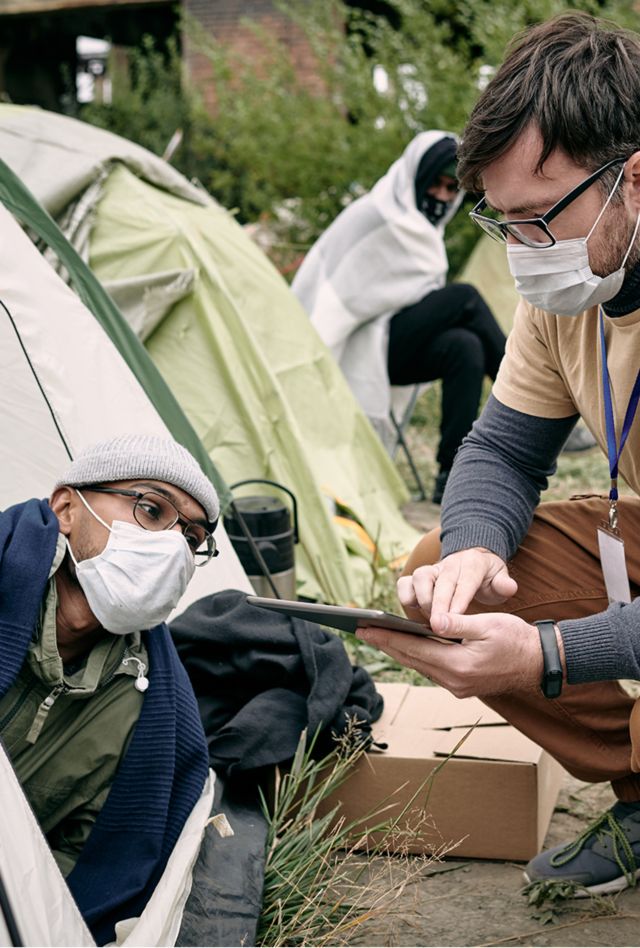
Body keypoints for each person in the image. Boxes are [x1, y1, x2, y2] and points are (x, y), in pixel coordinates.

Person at [355, 13, 640, 897]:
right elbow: (504, 450)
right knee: (443, 569)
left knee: (531, 637)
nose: (521, 250)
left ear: (633, 180)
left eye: (536, 218)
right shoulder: (572, 285)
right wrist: (476, 542)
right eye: (501, 221)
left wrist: (545, 654)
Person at [0, 433, 218, 944]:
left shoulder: (150, 714)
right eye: (151, 509)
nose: (172, 546)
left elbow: (77, 871)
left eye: (191, 538)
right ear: (66, 508)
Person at [292, 131, 506, 503]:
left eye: (451, 189)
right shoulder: (372, 217)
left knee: (465, 347)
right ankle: (532, 399)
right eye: (435, 186)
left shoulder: (424, 232)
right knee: (465, 298)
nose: (442, 197)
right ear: (415, 180)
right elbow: (331, 296)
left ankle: (451, 474)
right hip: (359, 347)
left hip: (396, 347)